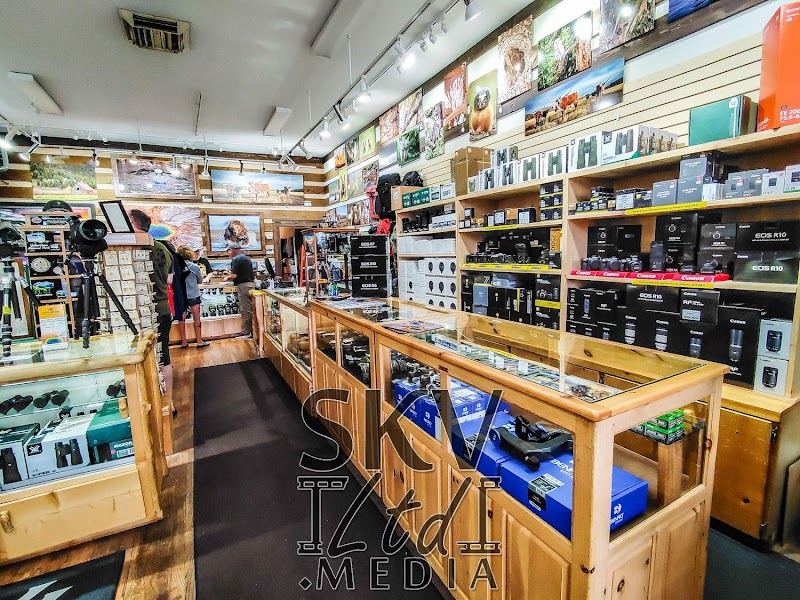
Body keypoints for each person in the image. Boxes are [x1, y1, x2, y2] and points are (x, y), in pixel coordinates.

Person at [128, 209, 175, 397]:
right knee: (163, 355)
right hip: (163, 308)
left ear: (132, 224)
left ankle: (150, 401)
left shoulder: (131, 247)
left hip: (139, 312)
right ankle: (167, 403)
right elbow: (170, 280)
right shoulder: (163, 248)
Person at [177, 245, 209, 349]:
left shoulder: (176, 267)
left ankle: (184, 342)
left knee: (181, 319)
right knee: (196, 319)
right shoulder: (194, 267)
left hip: (181, 296)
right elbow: (200, 281)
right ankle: (199, 341)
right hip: (193, 295)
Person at [225, 242, 255, 339]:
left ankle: (247, 332)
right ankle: (254, 332)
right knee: (252, 309)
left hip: (243, 286)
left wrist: (226, 278)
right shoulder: (246, 258)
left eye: (228, 250)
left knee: (245, 309)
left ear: (233, 250)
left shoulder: (236, 259)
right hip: (250, 285)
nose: (228, 253)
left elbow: (234, 275)